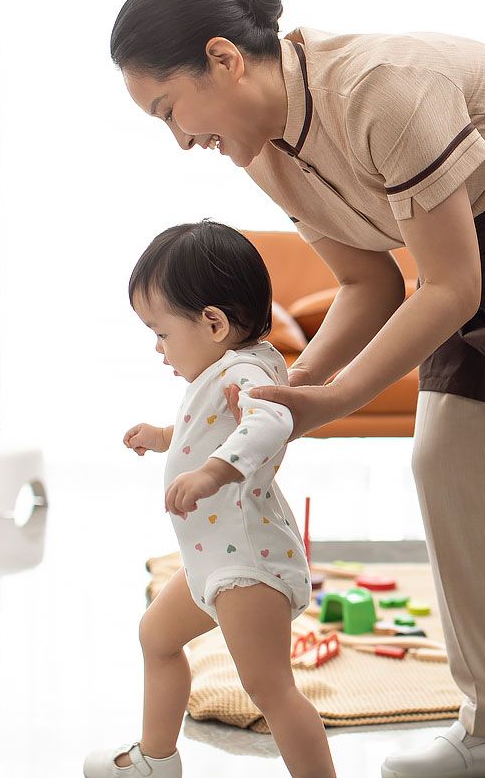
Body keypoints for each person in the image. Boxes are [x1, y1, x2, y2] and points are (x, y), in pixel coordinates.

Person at [111, 0, 485, 778]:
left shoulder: (380, 89)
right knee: (443, 461)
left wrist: (332, 398)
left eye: (169, 111)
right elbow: (368, 283)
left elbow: (447, 286)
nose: (178, 139)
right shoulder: (264, 155)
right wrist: (291, 391)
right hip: (475, 257)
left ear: (225, 59)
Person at [84, 221, 334, 777]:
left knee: (271, 690)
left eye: (162, 332)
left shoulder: (245, 371)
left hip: (246, 564)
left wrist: (213, 474)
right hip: (214, 558)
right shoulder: (237, 363)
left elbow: (271, 420)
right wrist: (164, 437)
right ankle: (155, 759)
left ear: (213, 323)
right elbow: (213, 427)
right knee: (156, 635)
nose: (157, 348)